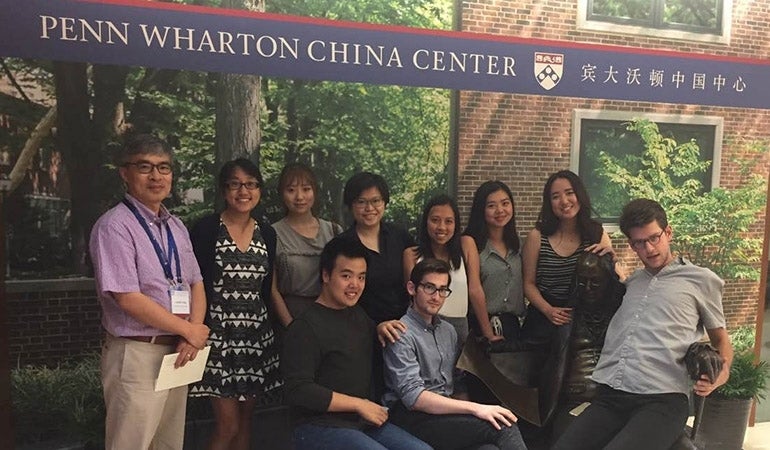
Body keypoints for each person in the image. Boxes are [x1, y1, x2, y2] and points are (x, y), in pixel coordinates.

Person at [551, 198, 733, 450]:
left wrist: (720, 376)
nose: (649, 248)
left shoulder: (701, 280)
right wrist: (609, 260)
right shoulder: (632, 283)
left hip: (662, 400)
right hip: (612, 394)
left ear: (668, 232)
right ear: (631, 245)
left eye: (654, 238)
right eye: (639, 242)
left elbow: (721, 339)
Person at [89, 134, 209, 450]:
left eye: (163, 168)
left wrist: (190, 334)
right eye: (145, 167)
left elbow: (196, 282)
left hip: (177, 351)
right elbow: (126, 296)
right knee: (131, 444)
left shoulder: (176, 227)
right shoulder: (114, 226)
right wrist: (189, 330)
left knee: (169, 444)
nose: (156, 176)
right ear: (124, 173)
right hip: (138, 352)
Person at [282, 236, 431, 450]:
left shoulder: (358, 315)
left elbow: (367, 337)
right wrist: (359, 405)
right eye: (346, 276)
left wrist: (380, 327)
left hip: (362, 423)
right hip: (317, 426)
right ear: (326, 274)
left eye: (361, 277)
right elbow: (298, 389)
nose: (355, 285)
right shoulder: (304, 327)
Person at [383, 258, 528, 450]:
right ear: (412, 288)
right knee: (504, 425)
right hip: (413, 418)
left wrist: (467, 416)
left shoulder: (448, 331)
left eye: (443, 290)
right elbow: (414, 398)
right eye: (429, 288)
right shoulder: (400, 332)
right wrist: (476, 409)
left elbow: (458, 383)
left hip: (445, 415)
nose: (437, 296)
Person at [188, 158, 283, 450]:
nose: (244, 191)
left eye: (251, 184)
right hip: (217, 337)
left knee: (245, 420)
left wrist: (293, 326)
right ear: (223, 190)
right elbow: (193, 283)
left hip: (256, 338)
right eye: (235, 184)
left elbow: (271, 289)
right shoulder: (206, 229)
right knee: (227, 424)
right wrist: (190, 331)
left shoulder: (267, 233)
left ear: (259, 190)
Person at [521, 170, 613, 347]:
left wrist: (611, 260)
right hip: (543, 322)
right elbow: (528, 284)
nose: (564, 201)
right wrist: (549, 310)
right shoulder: (537, 236)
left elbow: (611, 280)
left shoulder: (596, 233)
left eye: (569, 193)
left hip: (585, 323)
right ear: (549, 203)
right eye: (556, 196)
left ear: (580, 195)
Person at [271, 163, 342, 327]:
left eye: (306, 189)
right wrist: (291, 326)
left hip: (331, 317)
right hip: (291, 317)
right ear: (282, 194)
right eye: (291, 190)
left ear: (315, 191)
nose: (299, 197)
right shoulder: (272, 233)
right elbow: (272, 290)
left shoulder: (334, 231)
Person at [339, 171, 414, 324]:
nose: (369, 208)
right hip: (362, 329)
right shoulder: (342, 244)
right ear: (350, 205)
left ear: (385, 202)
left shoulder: (401, 237)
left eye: (376, 201)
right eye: (361, 202)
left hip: (405, 327)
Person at [402, 194, 473, 348]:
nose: (441, 227)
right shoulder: (411, 254)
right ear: (425, 222)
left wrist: (488, 333)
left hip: (459, 324)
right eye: (435, 220)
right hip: (425, 325)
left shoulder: (466, 245)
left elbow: (475, 289)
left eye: (448, 221)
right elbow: (413, 297)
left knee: (459, 371)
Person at [462, 180, 524, 343]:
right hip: (479, 327)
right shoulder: (471, 245)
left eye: (505, 203)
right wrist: (488, 333)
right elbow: (474, 290)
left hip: (513, 327)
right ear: (481, 210)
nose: (500, 210)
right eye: (491, 206)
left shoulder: (519, 246)